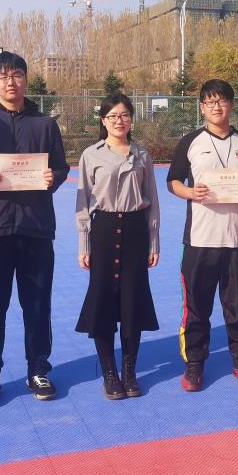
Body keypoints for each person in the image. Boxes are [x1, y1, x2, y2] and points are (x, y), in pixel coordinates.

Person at [0, 51, 69, 406]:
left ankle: (38, 369)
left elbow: (61, 167)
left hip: (35, 228)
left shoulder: (45, 124)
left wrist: (54, 178)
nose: (11, 82)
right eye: (4, 76)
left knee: (37, 305)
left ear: (26, 79)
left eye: (17, 74)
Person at [167, 79, 238, 391]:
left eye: (221, 101)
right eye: (210, 102)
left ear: (231, 104)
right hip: (199, 239)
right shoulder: (190, 142)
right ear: (202, 107)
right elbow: (172, 181)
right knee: (196, 307)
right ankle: (194, 364)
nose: (216, 107)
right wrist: (190, 192)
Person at [75, 93, 160, 400]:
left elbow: (153, 201)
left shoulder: (142, 155)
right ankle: (109, 373)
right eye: (112, 116)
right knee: (103, 300)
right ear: (103, 120)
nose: (119, 121)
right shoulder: (91, 155)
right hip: (104, 230)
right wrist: (84, 243)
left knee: (132, 301)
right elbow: (83, 203)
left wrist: (153, 241)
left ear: (132, 119)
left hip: (136, 230)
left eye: (124, 115)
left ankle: (129, 371)